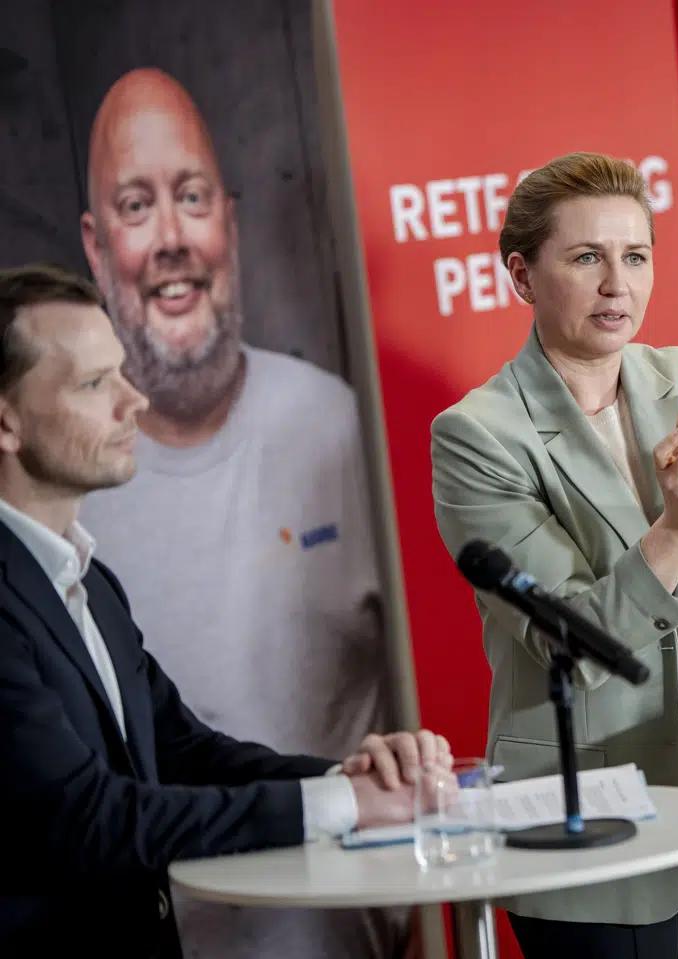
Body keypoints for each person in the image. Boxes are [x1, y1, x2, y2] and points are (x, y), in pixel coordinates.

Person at [430, 151, 678, 959]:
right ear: (521, 275)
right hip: (597, 811)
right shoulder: (478, 435)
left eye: (636, 256)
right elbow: (571, 640)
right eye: (587, 258)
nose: (619, 283)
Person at [0, 262, 450, 958]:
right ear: (6, 420)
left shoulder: (87, 579)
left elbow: (182, 750)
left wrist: (345, 778)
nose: (134, 401)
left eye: (122, 371)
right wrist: (339, 809)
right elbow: (87, 818)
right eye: (94, 384)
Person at [73, 67, 403, 959]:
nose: (173, 237)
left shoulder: (337, 423)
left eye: (191, 196)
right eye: (137, 206)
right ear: (98, 249)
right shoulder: (58, 492)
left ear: (233, 219)